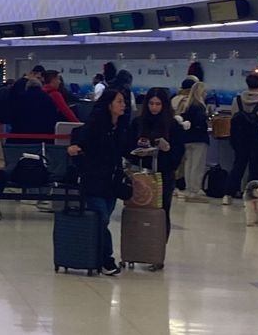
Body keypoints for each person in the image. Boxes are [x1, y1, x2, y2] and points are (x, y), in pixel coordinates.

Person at [67, 89, 133, 276]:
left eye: (124, 102)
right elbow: (80, 146)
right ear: (109, 104)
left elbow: (126, 149)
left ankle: (95, 257)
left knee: (102, 221)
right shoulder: (94, 126)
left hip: (111, 182)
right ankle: (107, 260)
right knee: (101, 218)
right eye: (119, 101)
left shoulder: (121, 128)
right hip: (94, 180)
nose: (123, 105)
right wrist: (77, 154)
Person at [129, 88, 185, 238]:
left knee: (162, 210)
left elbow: (179, 151)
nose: (154, 107)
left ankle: (158, 246)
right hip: (141, 173)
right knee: (139, 209)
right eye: (151, 103)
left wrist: (167, 149)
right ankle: (139, 244)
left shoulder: (172, 125)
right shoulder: (138, 123)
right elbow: (127, 146)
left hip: (164, 175)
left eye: (158, 104)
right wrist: (138, 150)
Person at [224, 74, 258, 205]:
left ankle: (228, 194)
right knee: (256, 169)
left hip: (240, 139)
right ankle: (252, 197)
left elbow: (233, 117)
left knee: (238, 165)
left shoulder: (237, 100)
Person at [179, 82, 210, 202]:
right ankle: (195, 189)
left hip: (188, 138)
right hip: (199, 139)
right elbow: (201, 123)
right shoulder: (201, 106)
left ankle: (189, 188)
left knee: (189, 164)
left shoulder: (188, 105)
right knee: (198, 165)